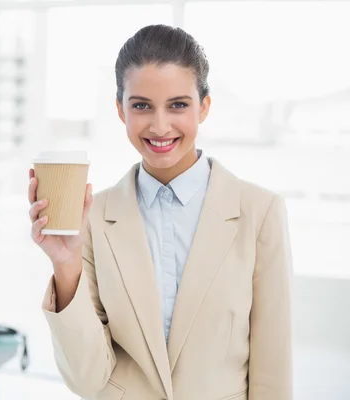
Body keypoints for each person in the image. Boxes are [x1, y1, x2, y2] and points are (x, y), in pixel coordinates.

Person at [27, 24, 293, 400]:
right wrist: (65, 265)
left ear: (204, 107)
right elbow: (87, 379)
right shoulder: (92, 219)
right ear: (121, 110)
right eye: (141, 106)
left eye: (178, 105)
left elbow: (272, 373)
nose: (159, 125)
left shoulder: (259, 212)